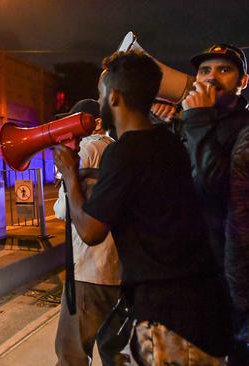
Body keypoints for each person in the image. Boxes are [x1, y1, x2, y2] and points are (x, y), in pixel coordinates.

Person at [53, 51, 233, 364]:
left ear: (115, 97)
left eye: (101, 94)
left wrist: (70, 176)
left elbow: (91, 230)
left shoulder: (124, 151)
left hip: (169, 321)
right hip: (202, 312)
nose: (100, 100)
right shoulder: (169, 142)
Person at [152, 43, 249, 365]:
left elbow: (214, 187)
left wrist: (195, 120)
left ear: (243, 81)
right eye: (205, 70)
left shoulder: (243, 129)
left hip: (231, 276)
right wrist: (169, 125)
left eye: (224, 70)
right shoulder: (194, 121)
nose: (211, 78)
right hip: (192, 270)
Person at [52, 99, 122, 366]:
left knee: (72, 354)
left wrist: (67, 174)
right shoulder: (117, 150)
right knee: (115, 353)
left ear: (98, 122)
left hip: (87, 271)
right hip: (116, 270)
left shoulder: (87, 147)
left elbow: (62, 209)